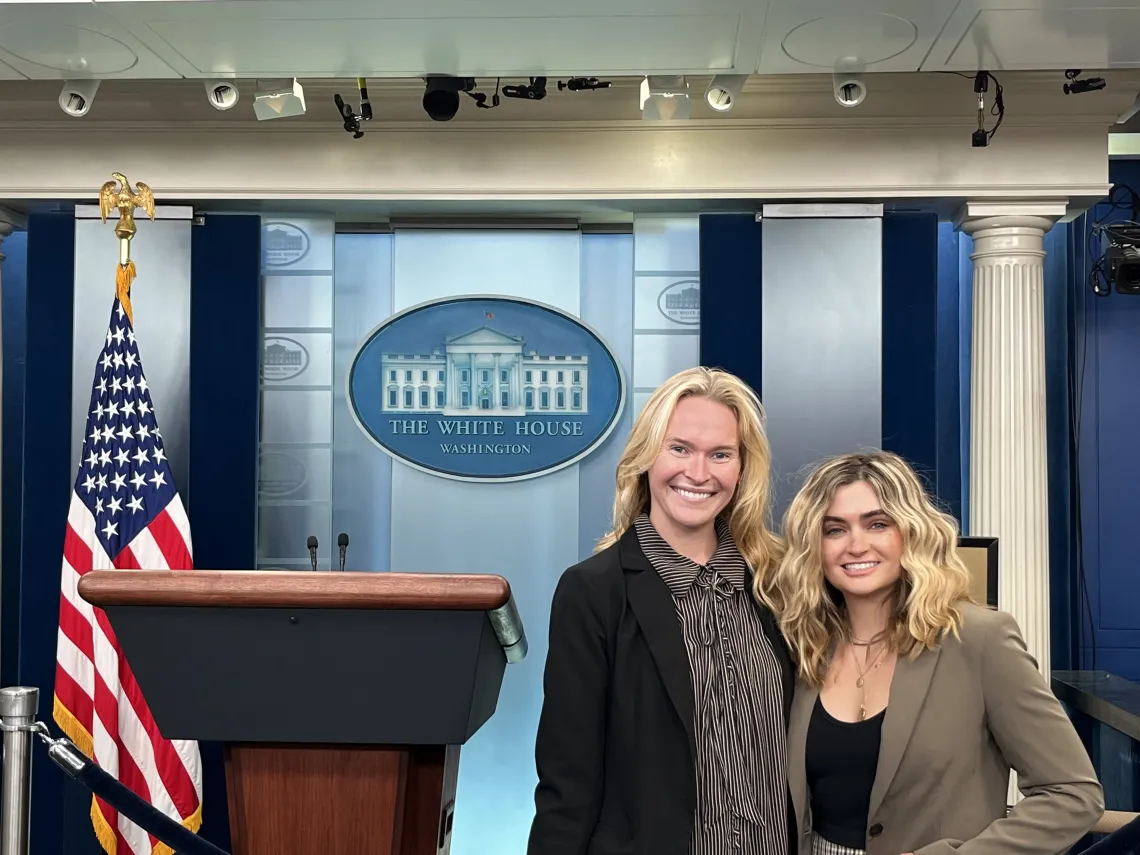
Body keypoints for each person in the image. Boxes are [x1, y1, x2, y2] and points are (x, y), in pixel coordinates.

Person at [771, 450, 1104, 855]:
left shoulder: (979, 639)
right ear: (813, 546)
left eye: (878, 524)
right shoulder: (802, 645)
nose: (856, 545)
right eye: (834, 530)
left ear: (911, 532)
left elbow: (1072, 793)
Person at [527, 367, 795, 855]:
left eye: (720, 454)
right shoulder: (593, 593)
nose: (698, 473)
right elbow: (568, 781)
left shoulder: (779, 586)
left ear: (742, 468)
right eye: (679, 449)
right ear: (645, 456)